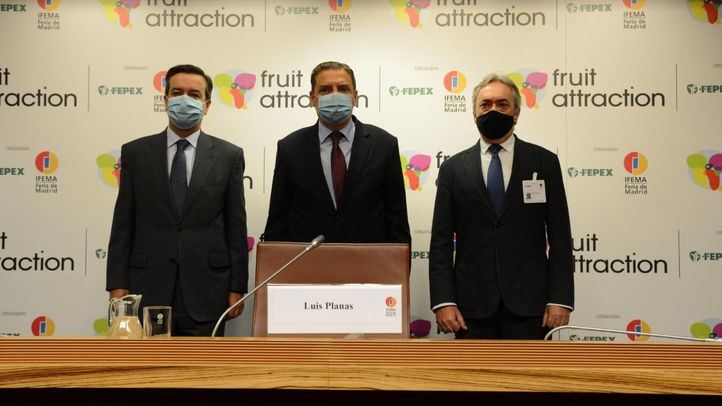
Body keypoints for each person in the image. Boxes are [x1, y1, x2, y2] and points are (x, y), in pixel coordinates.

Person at [106, 64, 248, 337]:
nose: (185, 100)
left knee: (202, 365)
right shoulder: (136, 153)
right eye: (177, 92)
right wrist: (117, 284)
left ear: (207, 105)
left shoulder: (229, 156)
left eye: (194, 95)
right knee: (149, 365)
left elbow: (235, 227)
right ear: (165, 100)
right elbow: (123, 224)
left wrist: (236, 287)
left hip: (208, 291)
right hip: (147, 288)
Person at [429, 73, 574, 339]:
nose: (493, 110)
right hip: (470, 309)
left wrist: (560, 299)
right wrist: (443, 301)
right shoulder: (452, 169)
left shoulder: (544, 163)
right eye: (485, 104)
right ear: (474, 112)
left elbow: (560, 237)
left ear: (516, 113)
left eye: (502, 104)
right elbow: (440, 241)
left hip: (531, 308)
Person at [263, 61, 410, 245]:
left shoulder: (384, 145)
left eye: (343, 89)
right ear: (312, 98)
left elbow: (397, 218)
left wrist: (398, 262)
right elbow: (278, 220)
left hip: (368, 259)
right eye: (325, 90)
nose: (335, 95)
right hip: (309, 259)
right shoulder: (290, 147)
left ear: (355, 97)